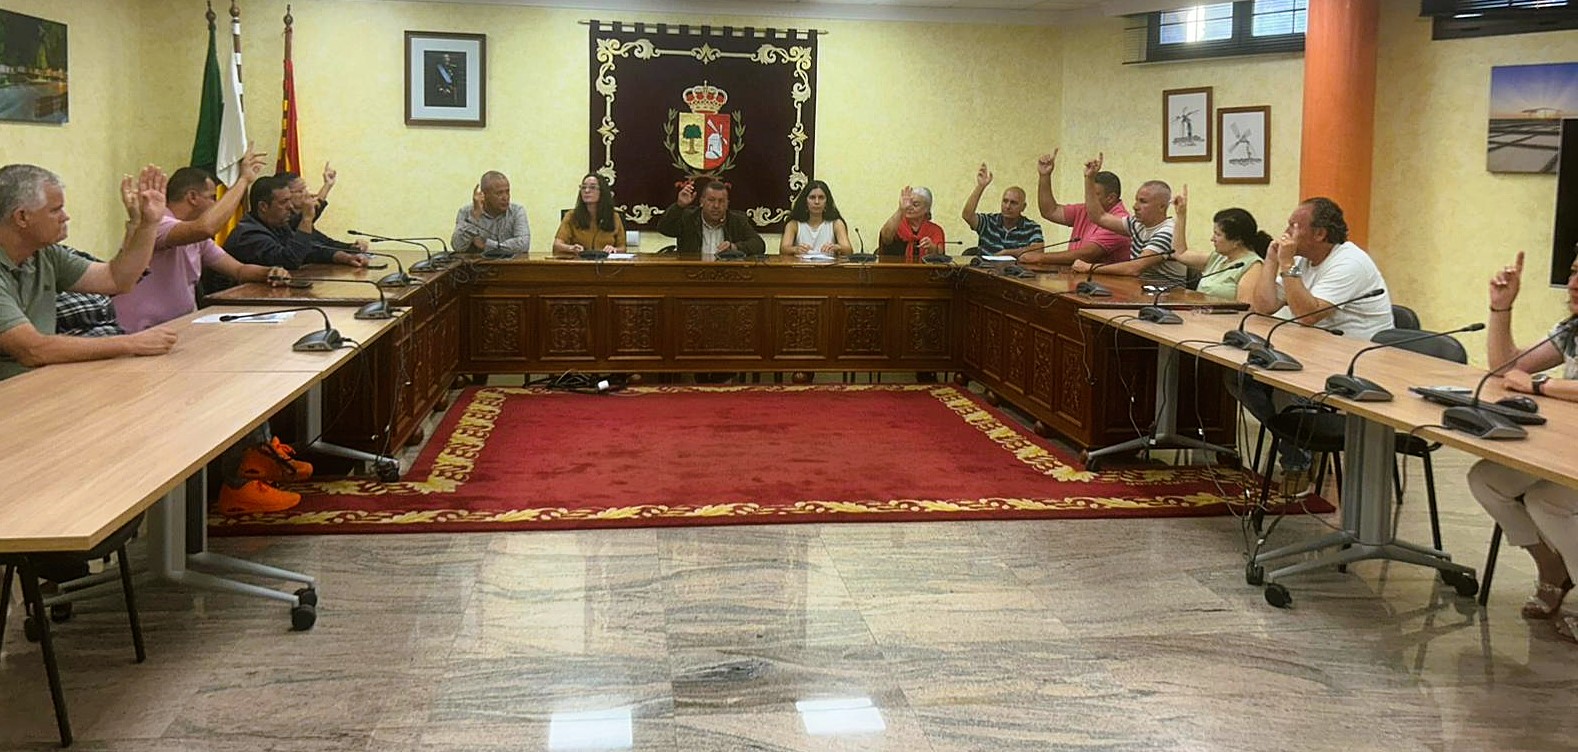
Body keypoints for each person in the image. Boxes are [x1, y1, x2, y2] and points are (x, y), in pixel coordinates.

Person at [1238, 196, 1394, 486]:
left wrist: (1287, 263)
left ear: (1320, 233)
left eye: (1294, 226)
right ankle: (1298, 443)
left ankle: (1298, 459)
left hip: (1357, 362)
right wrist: (1271, 262)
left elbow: (1307, 315)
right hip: (1314, 352)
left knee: (1289, 383)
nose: (1287, 232)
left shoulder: (1349, 262)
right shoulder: (1302, 261)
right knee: (1241, 376)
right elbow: (1263, 306)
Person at [1467, 251, 1578, 643]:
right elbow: (1505, 368)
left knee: (1546, 500)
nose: (1574, 284)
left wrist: (1541, 385)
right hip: (1566, 443)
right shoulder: (1571, 329)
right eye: (1574, 273)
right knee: (1486, 479)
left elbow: (1533, 381)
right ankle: (1552, 570)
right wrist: (1501, 308)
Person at [0, 163, 178, 381]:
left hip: (42, 380)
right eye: (55, 210)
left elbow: (117, 279)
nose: (65, 217)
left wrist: (148, 224)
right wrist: (131, 343)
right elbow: (32, 350)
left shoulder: (45, 254)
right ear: (22, 217)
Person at [117, 152, 291, 333]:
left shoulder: (195, 237)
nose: (216, 204)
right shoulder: (156, 223)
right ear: (192, 197)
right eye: (212, 197)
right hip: (139, 332)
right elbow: (206, 227)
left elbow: (238, 270)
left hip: (178, 327)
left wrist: (269, 273)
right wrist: (243, 180)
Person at [1068, 154, 1188, 285]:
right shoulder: (1138, 224)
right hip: (1141, 289)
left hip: (1168, 294)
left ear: (1162, 207)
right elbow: (1099, 217)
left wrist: (1089, 267)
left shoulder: (1168, 232)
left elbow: (1134, 268)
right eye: (1136, 200)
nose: (1135, 206)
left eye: (1143, 202)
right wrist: (1089, 179)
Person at [223, 174, 369, 272]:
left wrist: (345, 257)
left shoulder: (277, 225)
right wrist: (306, 219)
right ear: (263, 207)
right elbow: (289, 261)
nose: (290, 207)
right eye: (284, 202)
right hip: (229, 303)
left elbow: (309, 250)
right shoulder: (249, 235)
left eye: (289, 200)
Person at [1168, 186, 1269, 304]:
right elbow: (1180, 253)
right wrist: (1181, 214)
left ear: (1237, 241)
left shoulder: (1253, 266)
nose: (1212, 239)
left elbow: (1246, 307)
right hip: (1201, 312)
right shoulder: (1218, 258)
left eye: (1217, 234)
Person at [1031, 148, 1131, 265]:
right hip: (1075, 273)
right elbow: (1050, 211)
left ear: (1111, 198)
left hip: (1102, 276)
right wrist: (1044, 176)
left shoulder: (1119, 221)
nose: (1087, 197)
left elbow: (1087, 255)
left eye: (1093, 194)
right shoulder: (1085, 209)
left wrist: (1040, 258)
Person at [656, 179, 765, 256]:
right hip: (691, 273)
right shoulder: (689, 218)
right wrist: (679, 206)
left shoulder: (737, 220)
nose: (716, 206)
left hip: (727, 275)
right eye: (711, 200)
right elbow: (663, 228)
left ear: (727, 204)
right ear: (702, 201)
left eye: (721, 201)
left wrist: (734, 247)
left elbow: (759, 245)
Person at [961, 163, 1042, 256]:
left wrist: (1008, 253)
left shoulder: (1032, 227)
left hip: (1015, 266)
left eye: (1013, 203)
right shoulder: (988, 222)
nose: (1008, 206)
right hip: (986, 265)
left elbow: (1038, 251)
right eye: (1005, 201)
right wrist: (980, 186)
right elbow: (967, 215)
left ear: (1023, 207)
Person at [452, 170, 531, 256]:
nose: (505, 197)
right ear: (484, 195)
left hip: (511, 264)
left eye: (507, 192)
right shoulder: (466, 212)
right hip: (478, 264)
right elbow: (458, 246)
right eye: (499, 193)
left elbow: (524, 245)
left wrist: (487, 244)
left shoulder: (517, 211)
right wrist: (474, 217)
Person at [553, 173, 626, 257]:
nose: (587, 191)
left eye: (592, 187)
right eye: (583, 187)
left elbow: (623, 248)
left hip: (606, 263)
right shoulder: (571, 216)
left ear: (602, 192)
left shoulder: (614, 217)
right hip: (578, 262)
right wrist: (571, 248)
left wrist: (614, 249)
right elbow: (557, 245)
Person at [779, 180, 850, 257]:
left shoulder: (836, 223)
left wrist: (837, 247)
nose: (817, 202)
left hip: (828, 264)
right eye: (812, 197)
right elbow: (783, 249)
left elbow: (848, 250)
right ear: (805, 201)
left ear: (827, 202)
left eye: (821, 198)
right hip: (800, 264)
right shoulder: (793, 224)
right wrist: (795, 249)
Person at [878, 185, 945, 262]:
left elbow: (940, 256)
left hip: (925, 269)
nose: (909, 207)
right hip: (895, 268)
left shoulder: (935, 230)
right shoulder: (897, 225)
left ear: (927, 208)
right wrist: (900, 209)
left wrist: (932, 248)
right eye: (908, 203)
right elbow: (885, 237)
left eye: (915, 204)